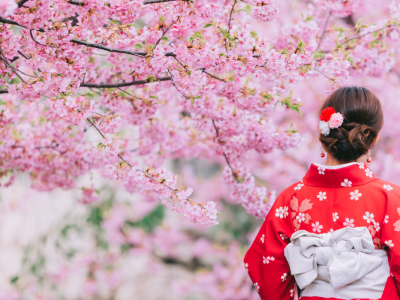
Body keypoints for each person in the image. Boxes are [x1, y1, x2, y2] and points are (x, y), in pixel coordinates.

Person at [244, 86, 400, 300]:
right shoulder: (391, 198)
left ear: (322, 134)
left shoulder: (290, 199)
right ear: (373, 139)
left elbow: (264, 266)